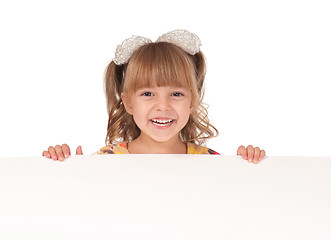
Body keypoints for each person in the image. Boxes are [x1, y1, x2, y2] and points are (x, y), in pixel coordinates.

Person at [42, 30, 266, 164]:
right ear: (128, 102)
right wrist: (65, 167)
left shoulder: (210, 161)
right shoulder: (106, 160)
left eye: (176, 94)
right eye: (148, 93)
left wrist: (247, 166)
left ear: (192, 102)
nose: (163, 105)